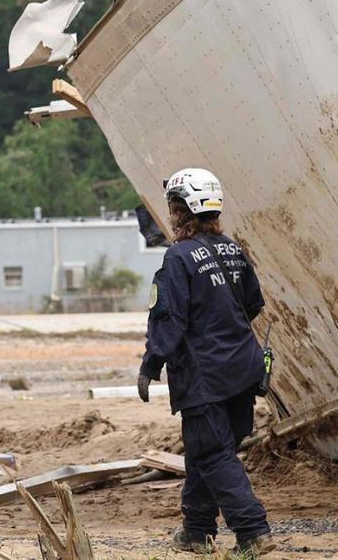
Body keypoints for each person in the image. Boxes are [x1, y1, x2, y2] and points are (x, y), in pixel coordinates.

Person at [137, 168, 274, 556]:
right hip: (243, 370)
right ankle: (197, 530)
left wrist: (151, 365)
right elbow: (252, 304)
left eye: (173, 205)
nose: (170, 212)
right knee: (206, 451)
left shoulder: (178, 257)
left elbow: (169, 319)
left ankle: (253, 531)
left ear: (183, 209)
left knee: (213, 454)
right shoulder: (232, 249)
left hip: (205, 377)